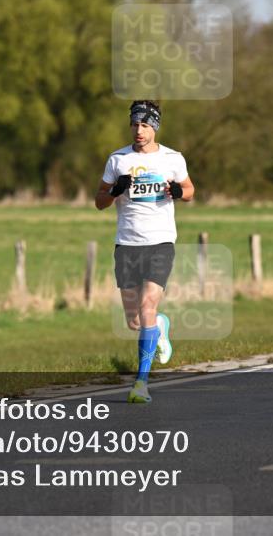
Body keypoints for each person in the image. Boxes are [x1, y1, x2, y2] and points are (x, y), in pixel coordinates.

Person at [95, 100, 195, 402]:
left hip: (160, 242)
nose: (139, 130)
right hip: (127, 244)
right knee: (134, 320)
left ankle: (141, 383)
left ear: (155, 127)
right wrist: (114, 190)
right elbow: (99, 201)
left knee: (148, 306)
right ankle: (160, 327)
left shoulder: (172, 159)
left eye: (145, 125)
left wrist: (178, 192)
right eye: (135, 124)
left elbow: (190, 190)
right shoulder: (117, 160)